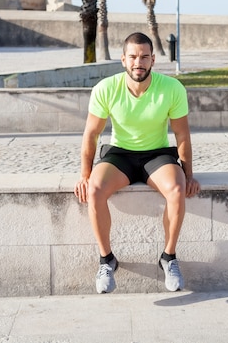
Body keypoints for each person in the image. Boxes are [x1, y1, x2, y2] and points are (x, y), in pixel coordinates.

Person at [74, 32, 201, 293]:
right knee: (95, 190)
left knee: (177, 190)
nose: (138, 62)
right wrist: (85, 176)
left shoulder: (172, 88)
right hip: (119, 154)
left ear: (153, 60)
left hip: (157, 155)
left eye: (144, 57)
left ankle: (168, 257)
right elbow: (91, 134)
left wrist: (188, 175)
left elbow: (182, 134)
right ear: (123, 59)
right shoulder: (106, 88)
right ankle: (107, 259)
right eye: (133, 56)